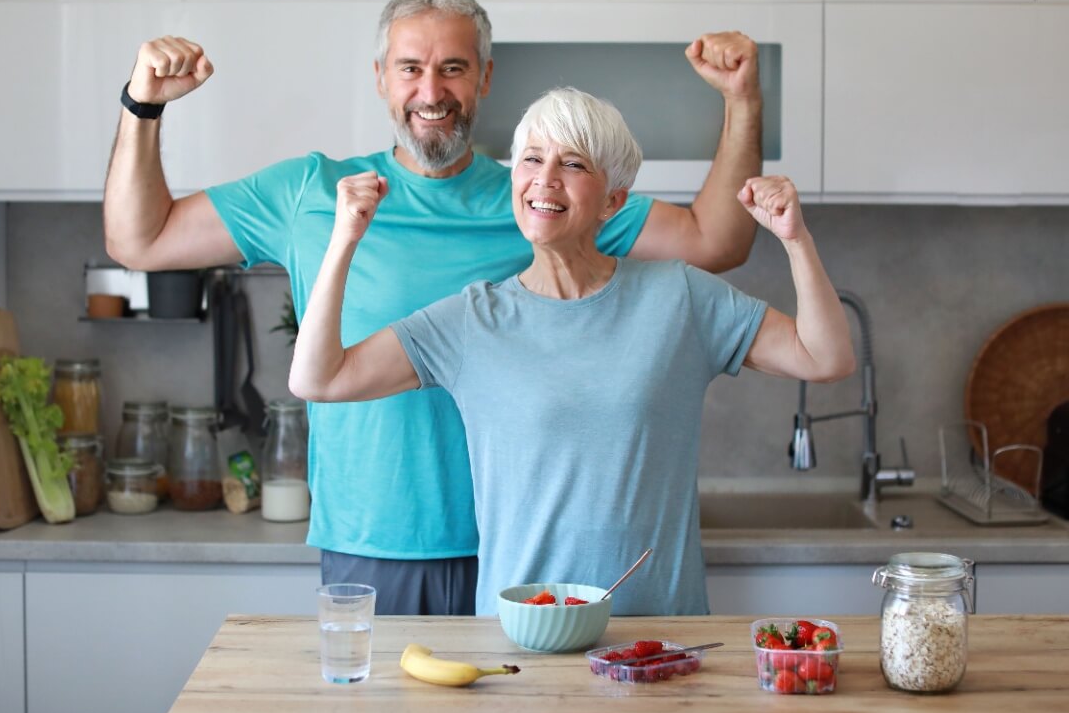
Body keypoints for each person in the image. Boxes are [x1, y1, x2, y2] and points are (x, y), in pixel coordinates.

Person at [103, 0, 765, 615]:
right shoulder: (313, 194)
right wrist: (143, 105)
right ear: (380, 78)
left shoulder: (541, 196)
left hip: (530, 554)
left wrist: (742, 101)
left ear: (485, 79)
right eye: (410, 68)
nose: (431, 90)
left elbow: (716, 240)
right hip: (377, 547)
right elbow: (142, 240)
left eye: (453, 68)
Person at [288, 87, 854, 615]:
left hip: (656, 640)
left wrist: (795, 239)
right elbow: (320, 379)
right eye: (532, 159)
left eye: (574, 164)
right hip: (525, 637)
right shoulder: (471, 320)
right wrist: (344, 240)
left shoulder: (677, 297)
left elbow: (824, 357)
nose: (545, 179)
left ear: (613, 200)